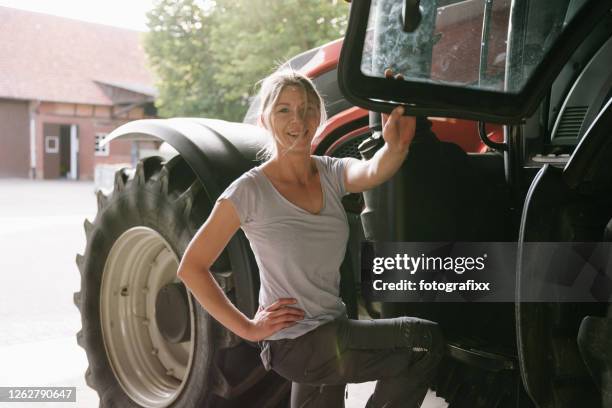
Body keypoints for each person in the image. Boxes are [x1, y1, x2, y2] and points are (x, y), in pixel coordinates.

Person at [177, 70, 445, 408]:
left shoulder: (331, 173)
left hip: (330, 330)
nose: (298, 119)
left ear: (320, 117)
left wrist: (397, 146)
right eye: (284, 110)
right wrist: (248, 329)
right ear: (265, 120)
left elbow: (372, 171)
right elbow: (192, 267)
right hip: (297, 343)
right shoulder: (249, 191)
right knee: (423, 341)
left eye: (307, 109)